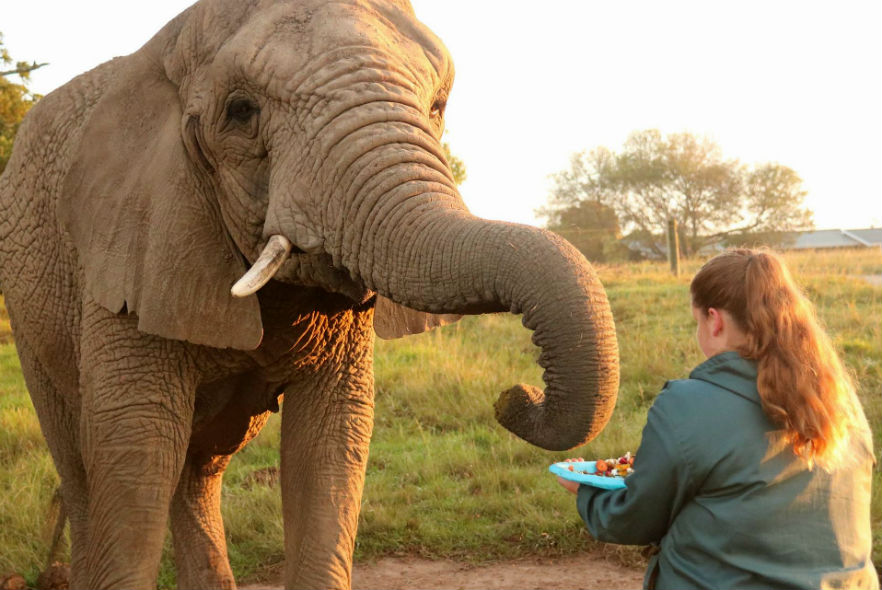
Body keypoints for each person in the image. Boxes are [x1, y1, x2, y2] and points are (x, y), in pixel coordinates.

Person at [558, 248, 878, 589]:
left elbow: (634, 519)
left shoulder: (686, 405)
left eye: (697, 321)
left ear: (715, 320)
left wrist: (586, 492)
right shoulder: (838, 398)